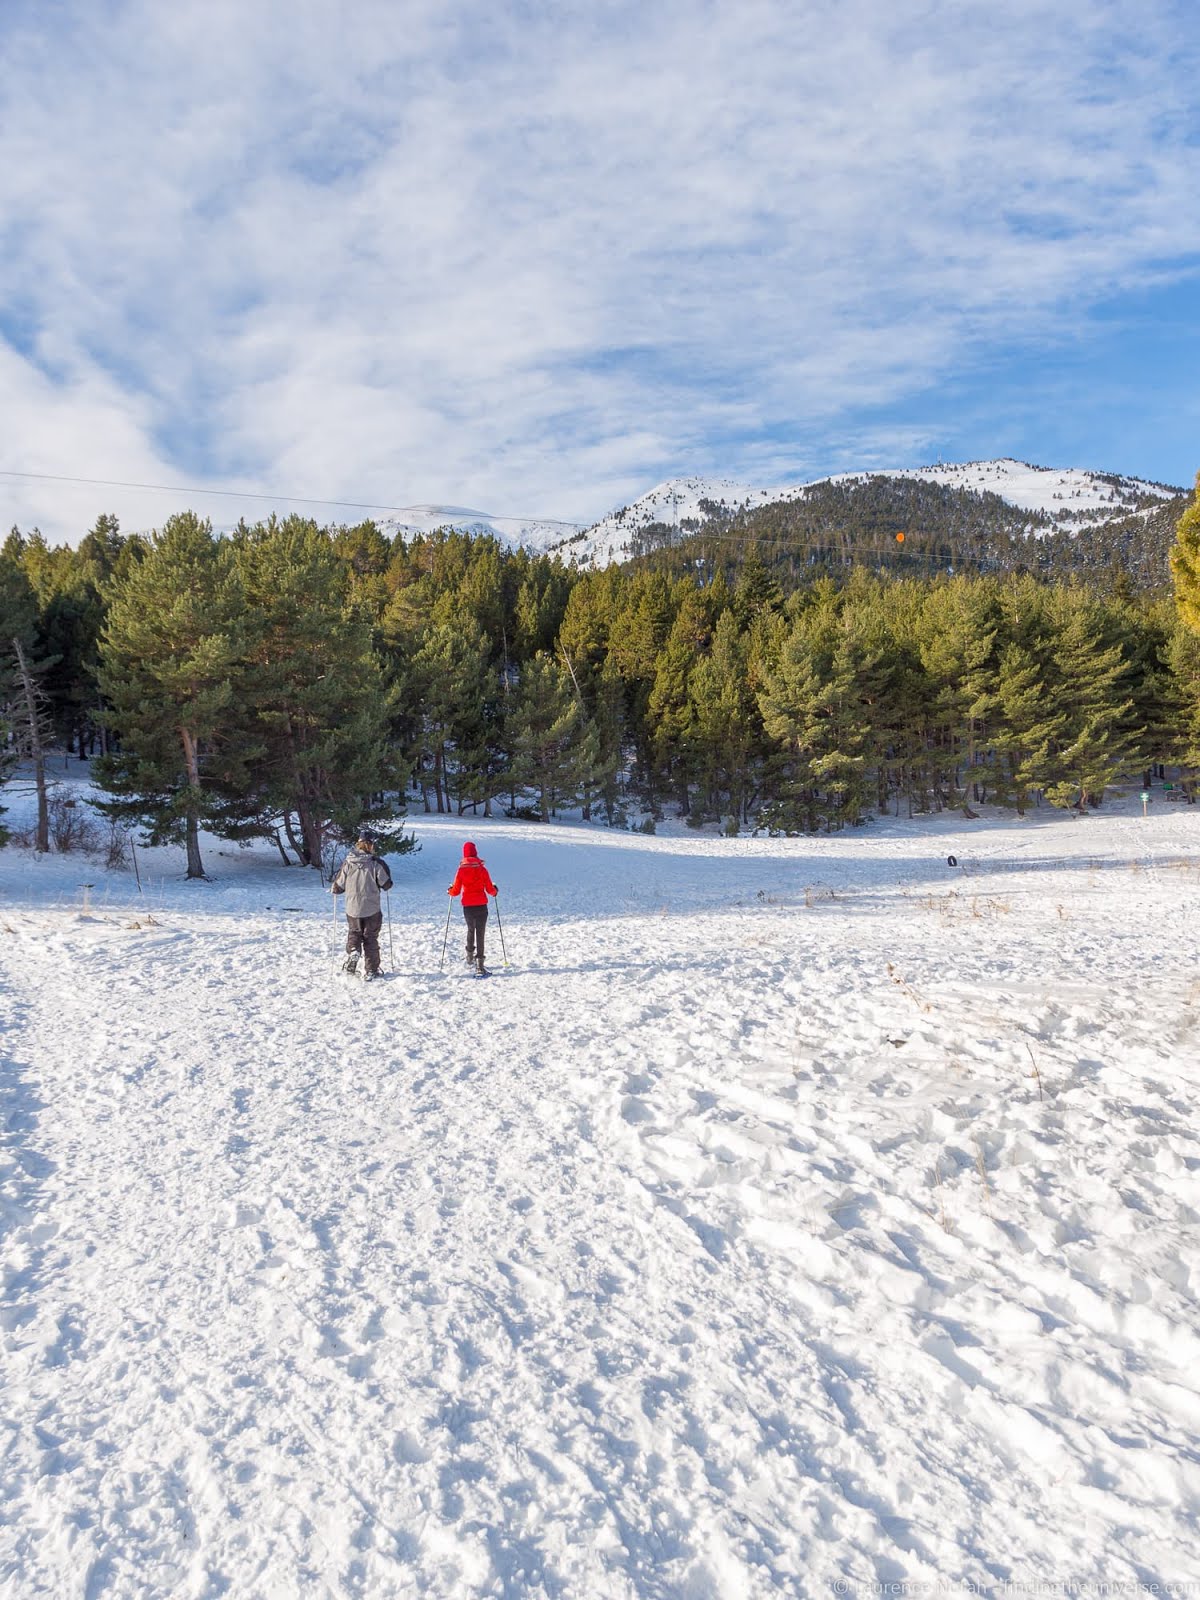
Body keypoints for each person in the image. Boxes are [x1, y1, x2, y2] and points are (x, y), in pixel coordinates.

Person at [331, 831, 393, 980]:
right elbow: (386, 884)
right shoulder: (376, 863)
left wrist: (335, 888)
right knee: (370, 938)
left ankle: (354, 950)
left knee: (354, 932)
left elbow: (338, 886)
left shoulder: (348, 862)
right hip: (372, 909)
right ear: (371, 844)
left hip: (353, 908)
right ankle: (371, 970)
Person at [447, 840, 498, 975]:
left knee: (471, 930)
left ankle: (469, 957)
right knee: (480, 933)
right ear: (475, 853)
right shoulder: (482, 869)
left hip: (468, 906)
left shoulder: (461, 870)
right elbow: (490, 889)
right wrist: (495, 891)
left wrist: (450, 891)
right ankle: (480, 965)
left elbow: (456, 891)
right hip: (481, 905)